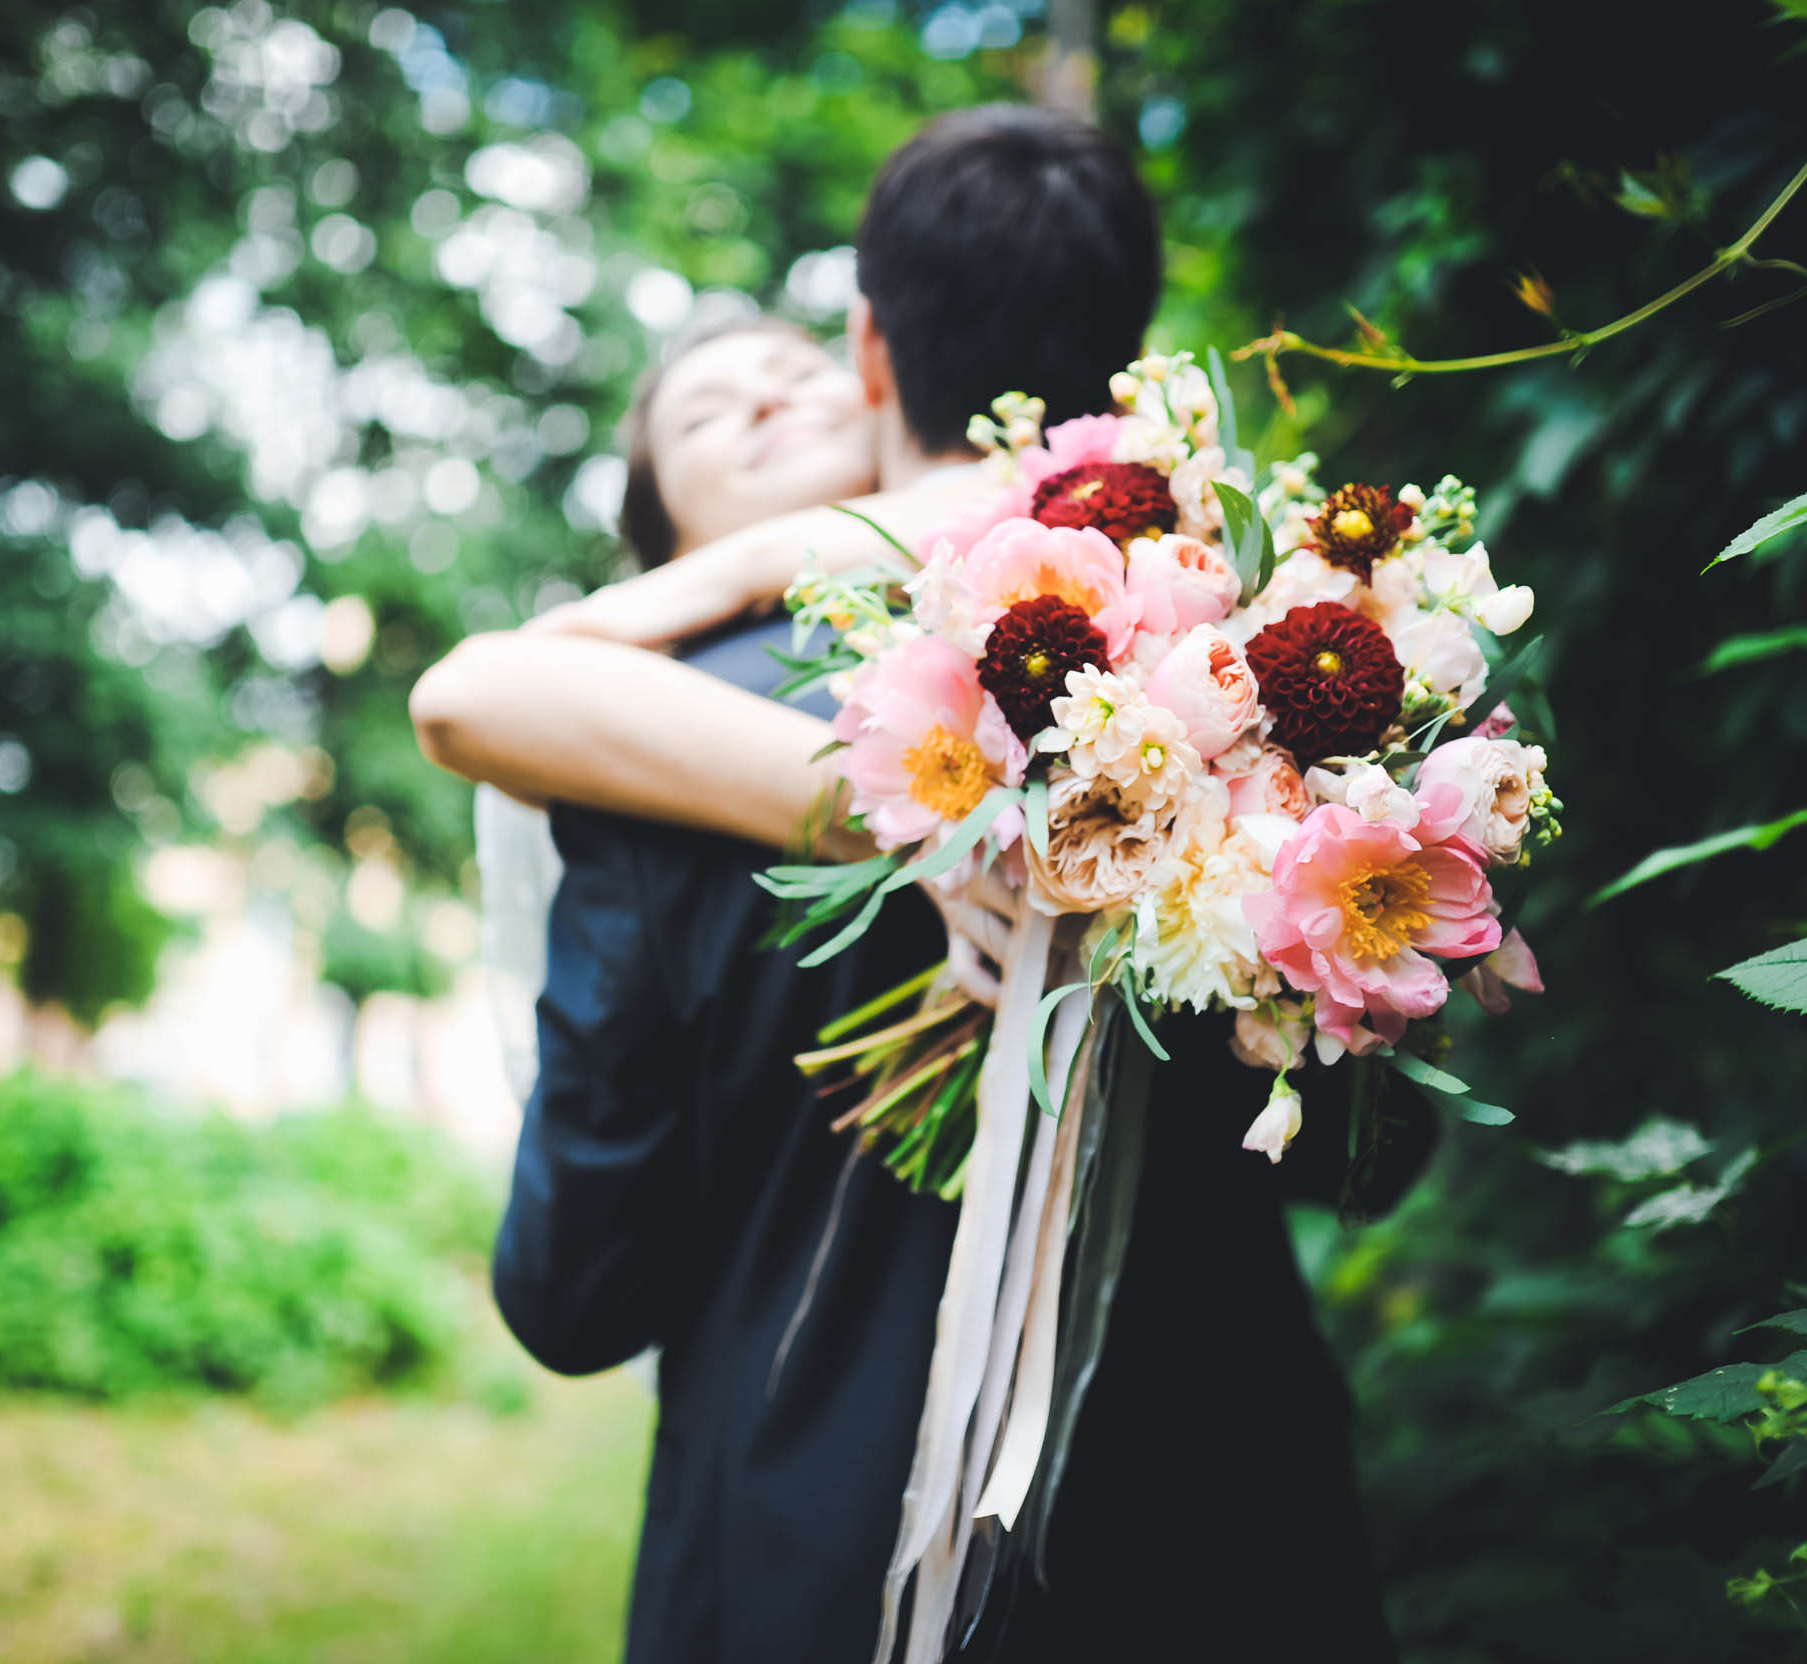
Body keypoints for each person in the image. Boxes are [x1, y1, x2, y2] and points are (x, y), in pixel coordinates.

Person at [413, 105, 1403, 1661]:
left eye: (794, 373)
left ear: (875, 358)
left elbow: (576, 1292)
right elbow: (1372, 1161)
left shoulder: (644, 758)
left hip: (814, 1559)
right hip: (1234, 1553)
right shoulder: (1262, 668)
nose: (776, 400)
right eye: (715, 421)